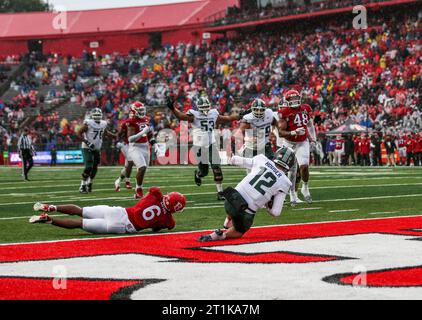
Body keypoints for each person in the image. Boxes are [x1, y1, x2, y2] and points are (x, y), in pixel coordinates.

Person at [198, 146, 294, 242]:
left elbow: (236, 160)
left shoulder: (262, 159)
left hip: (230, 200)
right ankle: (220, 235)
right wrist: (267, 202)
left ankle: (228, 218)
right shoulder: (285, 182)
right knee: (238, 231)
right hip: (246, 213)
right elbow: (276, 213)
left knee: (236, 204)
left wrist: (231, 157)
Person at [167, 94, 242, 200]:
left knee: (217, 167)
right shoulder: (194, 115)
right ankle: (198, 174)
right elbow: (181, 116)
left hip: (211, 144)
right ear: (198, 108)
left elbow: (227, 118)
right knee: (204, 172)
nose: (205, 110)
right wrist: (172, 108)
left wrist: (240, 116)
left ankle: (220, 192)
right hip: (199, 147)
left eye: (206, 107)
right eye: (203, 108)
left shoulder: (213, 114)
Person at [29, 187, 186, 234]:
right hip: (122, 227)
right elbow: (156, 228)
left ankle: (52, 207)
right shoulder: (168, 220)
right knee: (79, 223)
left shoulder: (155, 194)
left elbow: (152, 191)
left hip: (119, 212)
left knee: (81, 211)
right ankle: (49, 219)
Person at [277, 89, 316, 204]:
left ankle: (305, 187)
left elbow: (310, 125)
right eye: (292, 99)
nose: (294, 101)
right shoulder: (284, 112)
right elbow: (280, 132)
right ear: (287, 100)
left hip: (302, 142)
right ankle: (292, 194)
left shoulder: (306, 108)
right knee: (290, 170)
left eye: (296, 98)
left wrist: (313, 139)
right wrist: (294, 132)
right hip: (288, 142)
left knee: (304, 166)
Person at [77, 108, 117, 194]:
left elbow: (104, 132)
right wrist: (87, 142)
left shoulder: (103, 123)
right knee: (88, 166)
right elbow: (78, 133)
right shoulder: (88, 123)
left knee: (95, 167)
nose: (97, 117)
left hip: (97, 148)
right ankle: (82, 185)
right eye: (95, 115)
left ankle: (89, 183)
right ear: (92, 116)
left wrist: (114, 136)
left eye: (99, 115)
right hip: (87, 147)